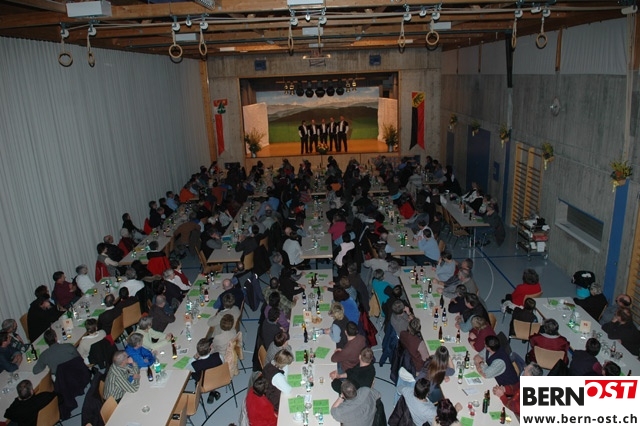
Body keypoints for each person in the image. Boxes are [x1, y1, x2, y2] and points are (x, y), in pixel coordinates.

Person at [187, 338, 223, 404]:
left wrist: (195, 357)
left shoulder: (195, 364)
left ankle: (211, 392)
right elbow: (222, 364)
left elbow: (188, 367)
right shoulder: (218, 356)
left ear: (198, 352)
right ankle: (213, 391)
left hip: (203, 384)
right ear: (210, 347)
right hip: (218, 378)